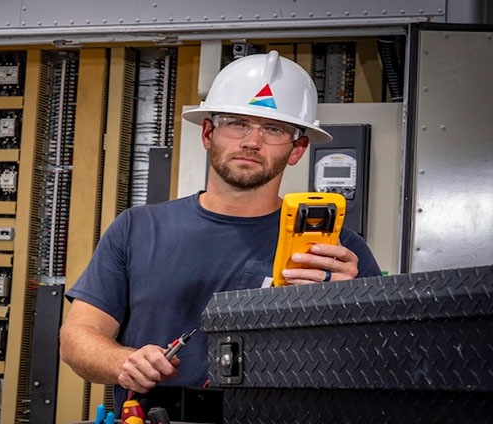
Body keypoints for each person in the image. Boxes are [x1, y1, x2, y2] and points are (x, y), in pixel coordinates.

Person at [58, 51, 381, 416]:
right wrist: (125, 361)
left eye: (273, 129)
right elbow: (77, 338)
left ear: (297, 149)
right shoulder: (137, 229)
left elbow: (375, 366)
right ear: (209, 134)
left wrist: (343, 309)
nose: (252, 141)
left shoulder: (338, 254)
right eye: (236, 123)